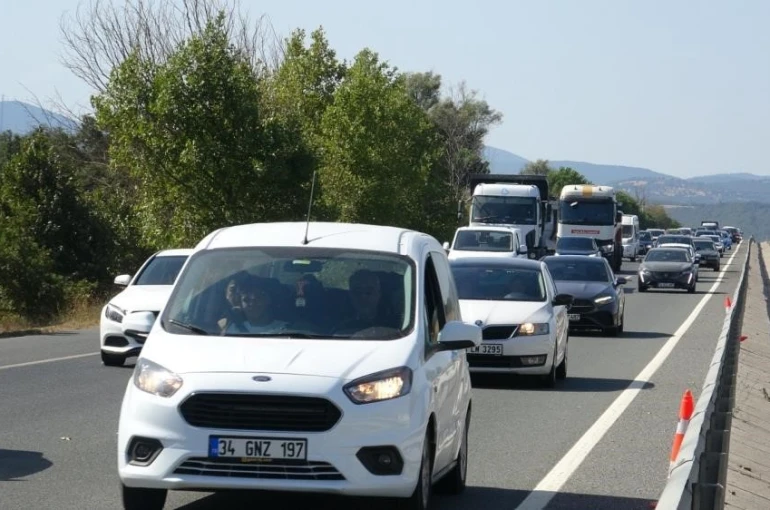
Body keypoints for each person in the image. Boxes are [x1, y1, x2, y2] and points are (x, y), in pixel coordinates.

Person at [221, 276, 288, 335]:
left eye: (258, 298)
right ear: (241, 304)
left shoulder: (286, 329)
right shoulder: (232, 330)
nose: (252, 304)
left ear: (268, 300)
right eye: (246, 300)